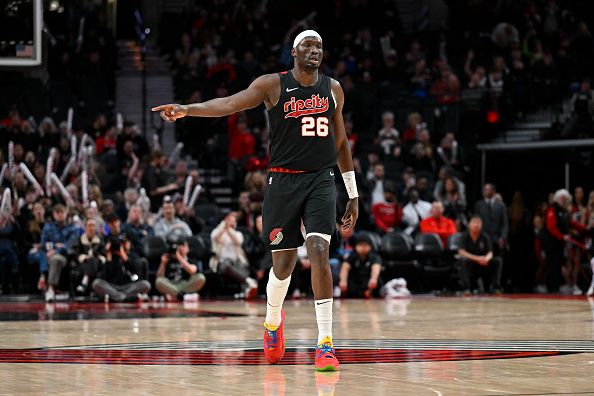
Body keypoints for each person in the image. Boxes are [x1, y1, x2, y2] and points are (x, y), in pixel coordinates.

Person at [151, 29, 359, 372]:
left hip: (322, 179)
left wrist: (352, 193)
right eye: (308, 45)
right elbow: (230, 104)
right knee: (284, 267)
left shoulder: (333, 89)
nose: (315, 50)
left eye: (320, 45)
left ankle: (325, 344)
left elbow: (341, 144)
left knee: (320, 251)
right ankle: (272, 321)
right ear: (293, 51)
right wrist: (187, 109)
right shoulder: (272, 85)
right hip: (282, 181)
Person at [209, 212, 258, 299]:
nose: (232, 223)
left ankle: (245, 292)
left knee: (244, 269)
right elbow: (216, 238)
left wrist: (228, 229)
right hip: (222, 262)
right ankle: (249, 281)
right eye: (229, 220)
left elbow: (236, 242)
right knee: (226, 266)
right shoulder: (216, 231)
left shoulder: (238, 234)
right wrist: (224, 227)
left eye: (233, 221)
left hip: (237, 261)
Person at [92, 233, 151, 302]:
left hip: (128, 286)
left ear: (130, 243)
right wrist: (109, 258)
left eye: (125, 242)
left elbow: (136, 275)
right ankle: (125, 298)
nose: (122, 245)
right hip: (112, 286)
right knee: (96, 283)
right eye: (121, 243)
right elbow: (103, 277)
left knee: (146, 285)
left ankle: (115, 297)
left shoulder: (133, 256)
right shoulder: (110, 257)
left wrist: (124, 257)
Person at [40, 204, 78, 302]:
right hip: (48, 254)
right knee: (41, 253)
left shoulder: (72, 228)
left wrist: (56, 249)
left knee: (56, 259)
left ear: (66, 213)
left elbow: (69, 245)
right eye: (57, 212)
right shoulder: (48, 227)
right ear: (53, 215)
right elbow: (44, 244)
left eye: (62, 212)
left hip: (65, 256)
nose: (60, 214)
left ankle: (50, 288)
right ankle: (43, 276)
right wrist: (57, 246)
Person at [457, 216, 503, 294]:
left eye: (478, 223)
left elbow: (490, 252)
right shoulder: (464, 236)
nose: (476, 225)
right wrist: (477, 258)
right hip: (471, 263)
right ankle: (466, 288)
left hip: (483, 264)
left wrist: (486, 259)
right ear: (469, 225)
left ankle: (495, 287)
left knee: (497, 261)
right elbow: (461, 252)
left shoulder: (485, 236)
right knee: (462, 260)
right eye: (474, 223)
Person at [155, 237, 206, 301]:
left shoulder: (191, 259)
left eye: (184, 247)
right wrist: (163, 263)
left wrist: (179, 258)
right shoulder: (168, 259)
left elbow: (192, 271)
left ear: (188, 249)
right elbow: (159, 275)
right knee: (158, 281)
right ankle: (183, 296)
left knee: (201, 278)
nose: (180, 250)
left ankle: (176, 296)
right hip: (171, 284)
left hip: (185, 284)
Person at [339, 234, 382, 298]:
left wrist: (373, 279)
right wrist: (343, 281)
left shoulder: (374, 257)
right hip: (355, 280)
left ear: (370, 246)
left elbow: (376, 267)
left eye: (365, 245)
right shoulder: (352, 256)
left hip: (368, 280)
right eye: (360, 245)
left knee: (377, 280)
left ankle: (369, 292)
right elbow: (345, 267)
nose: (362, 248)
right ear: (356, 246)